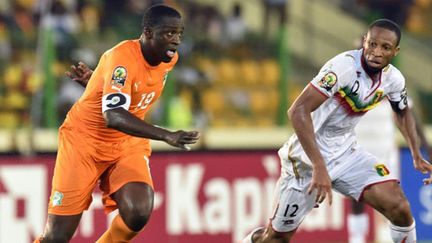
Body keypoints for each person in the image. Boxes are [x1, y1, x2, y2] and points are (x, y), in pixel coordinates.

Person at [242, 19, 432, 243]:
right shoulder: (343, 68)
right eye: (372, 44)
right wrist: (319, 165)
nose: (376, 52)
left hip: (346, 153)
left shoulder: (393, 79)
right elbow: (297, 111)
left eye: (385, 47)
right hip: (305, 159)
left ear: (395, 51)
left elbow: (402, 111)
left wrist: (416, 154)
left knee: (399, 206)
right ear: (364, 42)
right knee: (275, 238)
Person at [35, 5, 199, 243]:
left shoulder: (169, 60)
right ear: (148, 32)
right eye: (169, 34)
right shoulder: (121, 58)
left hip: (126, 142)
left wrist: (98, 82)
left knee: (139, 211)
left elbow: (128, 87)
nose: (176, 41)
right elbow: (113, 116)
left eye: (180, 34)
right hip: (84, 142)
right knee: (56, 237)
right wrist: (166, 135)